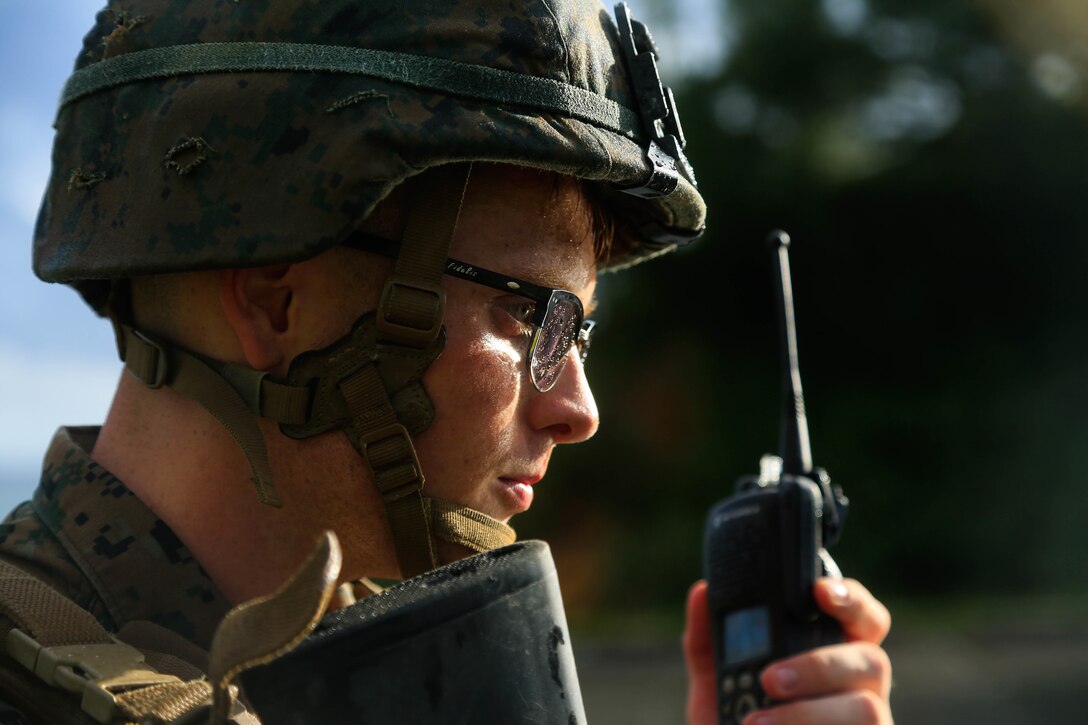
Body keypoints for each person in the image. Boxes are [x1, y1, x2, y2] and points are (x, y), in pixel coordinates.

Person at [0, 0, 891, 723]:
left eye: (579, 333)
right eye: (530, 312)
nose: (579, 409)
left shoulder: (380, 675)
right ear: (279, 301)